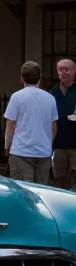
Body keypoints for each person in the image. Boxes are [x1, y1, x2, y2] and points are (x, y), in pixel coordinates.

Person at [4, 61, 59, 183]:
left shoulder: (16, 97)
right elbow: (53, 127)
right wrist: (48, 144)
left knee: (22, 191)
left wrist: (7, 145)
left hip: (21, 151)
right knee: (40, 191)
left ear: (22, 79)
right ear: (39, 79)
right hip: (43, 152)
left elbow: (10, 125)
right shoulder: (50, 98)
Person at [51, 58, 76, 189]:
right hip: (58, 145)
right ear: (57, 72)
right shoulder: (52, 93)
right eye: (61, 69)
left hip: (75, 145)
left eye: (68, 69)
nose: (64, 72)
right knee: (60, 180)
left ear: (74, 71)